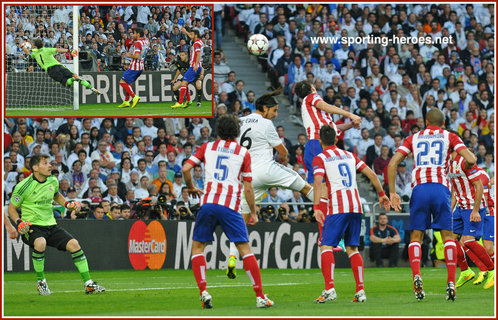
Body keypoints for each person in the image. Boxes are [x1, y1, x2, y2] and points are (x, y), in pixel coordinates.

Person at [182, 114, 273, 309]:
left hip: (208, 204)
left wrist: (190, 187)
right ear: (236, 131)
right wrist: (254, 212)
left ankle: (204, 292)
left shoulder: (207, 148)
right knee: (245, 250)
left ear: (218, 130)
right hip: (230, 207)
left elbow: (186, 168)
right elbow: (248, 187)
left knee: (198, 248)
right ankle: (259, 296)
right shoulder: (243, 152)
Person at [387, 108, 477, 301]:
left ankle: (417, 276)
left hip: (419, 189)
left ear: (426, 121)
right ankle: (451, 281)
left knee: (416, 237)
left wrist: (392, 193)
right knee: (448, 237)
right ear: (443, 123)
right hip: (440, 189)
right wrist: (465, 166)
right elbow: (471, 159)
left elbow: (393, 163)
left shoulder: (414, 137)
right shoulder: (449, 136)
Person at [225, 89, 315, 278]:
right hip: (266, 170)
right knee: (306, 187)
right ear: (264, 109)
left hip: (247, 176)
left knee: (240, 220)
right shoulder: (266, 123)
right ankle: (332, 213)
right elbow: (282, 151)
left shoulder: (239, 121)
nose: (275, 115)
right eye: (273, 110)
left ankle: (232, 256)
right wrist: (283, 158)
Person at [313, 124, 390, 303]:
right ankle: (360, 291)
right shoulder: (350, 155)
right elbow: (371, 173)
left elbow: (318, 182)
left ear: (320, 141)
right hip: (356, 207)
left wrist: (316, 207)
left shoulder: (321, 158)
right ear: (336, 139)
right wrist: (381, 194)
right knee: (352, 249)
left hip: (338, 207)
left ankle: (330, 288)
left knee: (326, 246)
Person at [7, 154, 105, 295]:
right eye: (45, 163)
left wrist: (67, 203)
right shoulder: (23, 186)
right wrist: (19, 222)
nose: (50, 165)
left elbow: (56, 195)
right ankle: (41, 282)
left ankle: (88, 283)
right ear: (35, 167)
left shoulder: (52, 180)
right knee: (40, 243)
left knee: (74, 244)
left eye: (49, 163)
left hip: (51, 225)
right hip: (31, 226)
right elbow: (11, 208)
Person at [294, 80, 361, 183]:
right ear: (312, 88)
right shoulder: (312, 96)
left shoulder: (316, 113)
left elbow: (335, 128)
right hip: (317, 142)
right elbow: (326, 107)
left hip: (322, 143)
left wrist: (351, 124)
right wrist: (350, 115)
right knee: (319, 180)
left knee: (325, 179)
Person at [450, 157, 494, 290]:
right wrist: (450, 212)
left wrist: (476, 210)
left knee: (482, 244)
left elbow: (483, 195)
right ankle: (467, 271)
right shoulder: (451, 165)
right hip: (461, 207)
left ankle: (491, 269)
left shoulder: (481, 174)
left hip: (485, 211)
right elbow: (454, 191)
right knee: (451, 239)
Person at [20, 38, 100, 95]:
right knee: (75, 76)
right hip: (59, 66)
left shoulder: (34, 52)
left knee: (66, 83)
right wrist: (69, 50)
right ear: (43, 44)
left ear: (35, 46)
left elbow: (28, 53)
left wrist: (23, 46)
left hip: (51, 70)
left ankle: (73, 79)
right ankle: (92, 88)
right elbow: (58, 50)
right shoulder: (47, 49)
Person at [117, 27, 149, 109]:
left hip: (135, 66)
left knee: (122, 82)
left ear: (138, 34)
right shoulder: (146, 41)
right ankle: (126, 101)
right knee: (128, 83)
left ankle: (134, 97)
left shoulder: (138, 43)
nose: (133, 35)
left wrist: (129, 55)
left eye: (134, 33)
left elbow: (136, 56)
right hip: (141, 66)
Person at [171, 28, 203, 108]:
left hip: (193, 67)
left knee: (184, 83)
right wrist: (185, 32)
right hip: (194, 66)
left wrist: (195, 65)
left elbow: (198, 54)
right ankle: (187, 101)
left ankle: (180, 102)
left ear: (195, 36)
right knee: (184, 83)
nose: (190, 36)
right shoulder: (198, 41)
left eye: (191, 34)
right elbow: (191, 36)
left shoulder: (196, 44)